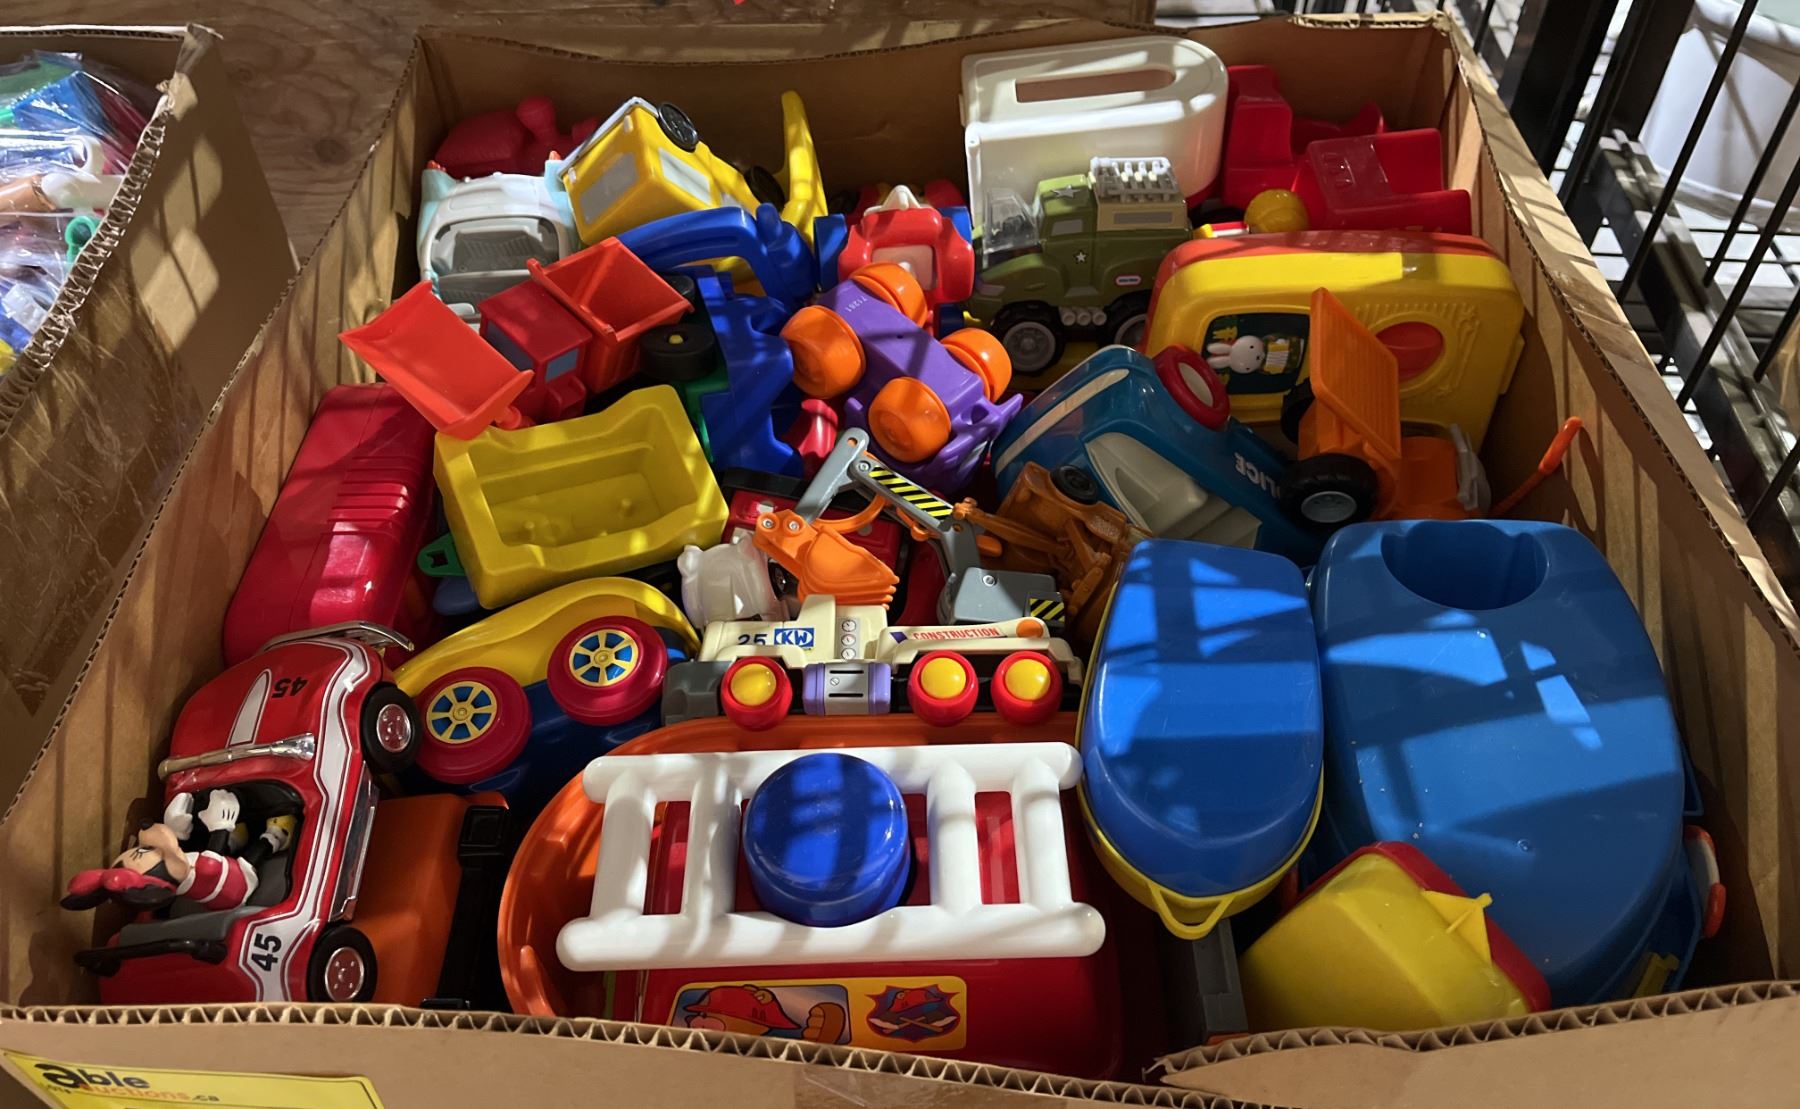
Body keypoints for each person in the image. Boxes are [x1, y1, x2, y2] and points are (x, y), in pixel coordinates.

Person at [62, 789, 295, 913]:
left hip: (214, 874)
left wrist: (176, 828)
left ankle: (237, 839)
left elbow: (179, 850)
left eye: (146, 849)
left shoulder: (181, 868)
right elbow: (213, 851)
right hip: (233, 888)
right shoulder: (205, 868)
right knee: (249, 860)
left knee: (224, 846)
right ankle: (276, 836)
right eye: (153, 851)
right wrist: (221, 823)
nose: (153, 848)